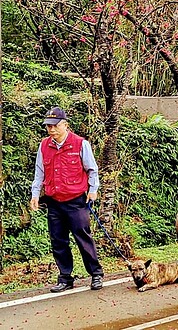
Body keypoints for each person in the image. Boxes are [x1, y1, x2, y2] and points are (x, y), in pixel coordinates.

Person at [30, 106, 104, 292]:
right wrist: (35, 194)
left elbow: (92, 169)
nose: (51, 130)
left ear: (65, 125)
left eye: (55, 126)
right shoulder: (44, 146)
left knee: (83, 238)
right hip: (54, 202)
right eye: (49, 127)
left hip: (76, 201)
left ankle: (96, 274)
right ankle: (65, 278)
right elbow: (39, 172)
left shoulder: (80, 144)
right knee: (58, 241)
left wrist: (93, 189)